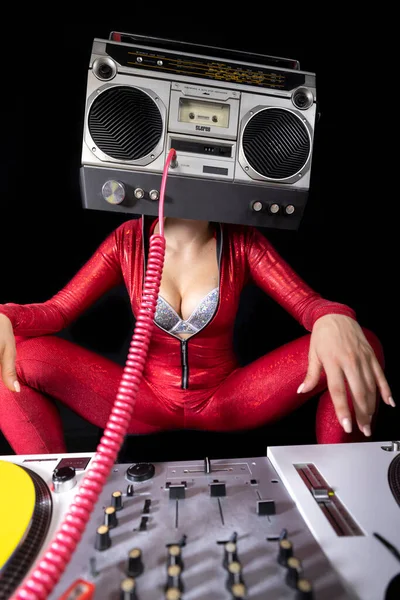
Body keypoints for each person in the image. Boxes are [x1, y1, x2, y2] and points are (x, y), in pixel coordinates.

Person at [0, 216, 395, 454]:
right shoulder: (127, 240)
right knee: (11, 357)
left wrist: (333, 317)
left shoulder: (241, 240)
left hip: (227, 400)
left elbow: (305, 302)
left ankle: (337, 494)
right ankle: (51, 499)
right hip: (145, 401)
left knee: (360, 344)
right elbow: (58, 310)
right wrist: (5, 315)